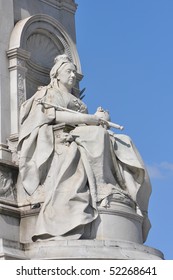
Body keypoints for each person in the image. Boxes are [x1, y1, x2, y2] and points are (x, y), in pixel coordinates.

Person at [17, 54, 151, 242]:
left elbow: (88, 123)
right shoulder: (48, 94)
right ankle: (102, 184)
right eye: (68, 71)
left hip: (80, 132)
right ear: (57, 75)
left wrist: (101, 118)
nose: (72, 75)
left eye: (74, 72)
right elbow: (51, 117)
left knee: (124, 141)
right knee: (97, 135)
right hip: (59, 135)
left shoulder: (76, 101)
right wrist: (90, 120)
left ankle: (118, 186)